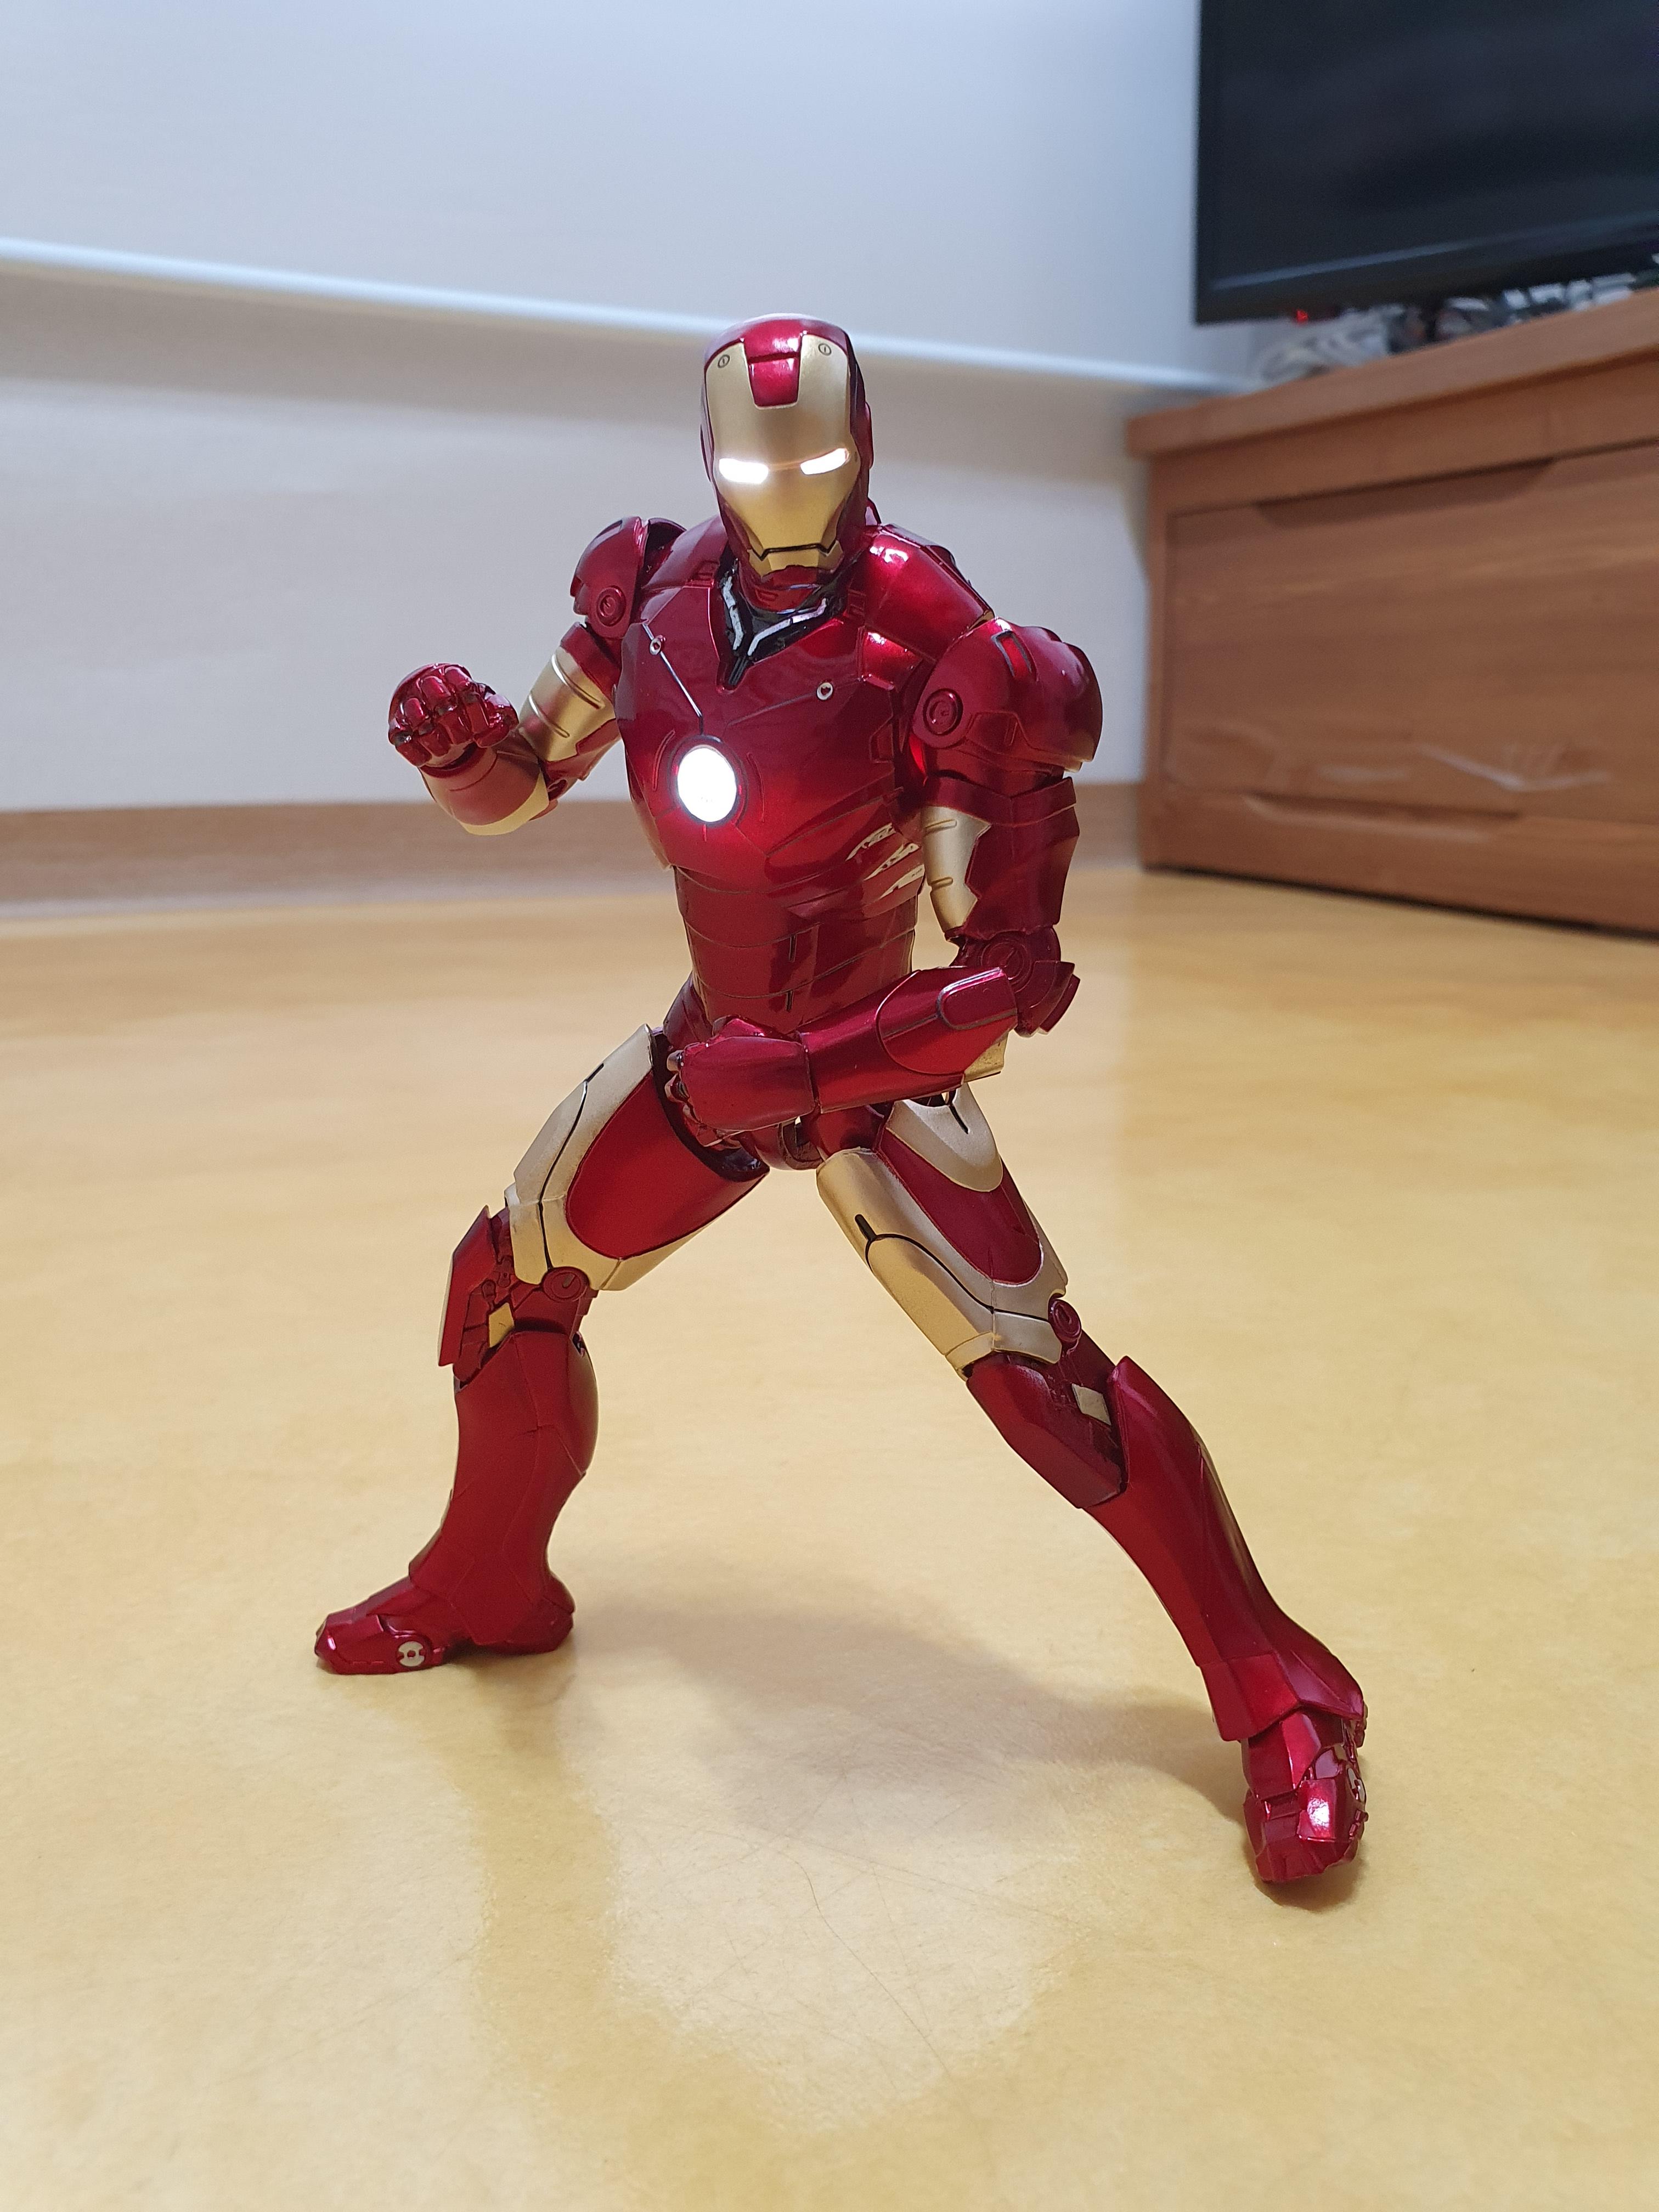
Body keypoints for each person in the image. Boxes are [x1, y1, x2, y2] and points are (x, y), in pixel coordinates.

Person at [317, 315, 1365, 1884]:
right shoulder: (649, 593)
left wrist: (805, 1074)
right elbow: (527, 779)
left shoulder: (950, 644)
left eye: (813, 454)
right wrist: (460, 752)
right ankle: (485, 1586)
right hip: (714, 1050)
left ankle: (1287, 1694)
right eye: (755, 460)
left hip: (875, 1073)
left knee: (1048, 1387)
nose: (785, 488)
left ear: (863, 444)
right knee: (506, 1286)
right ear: (709, 459)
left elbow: (1008, 984)